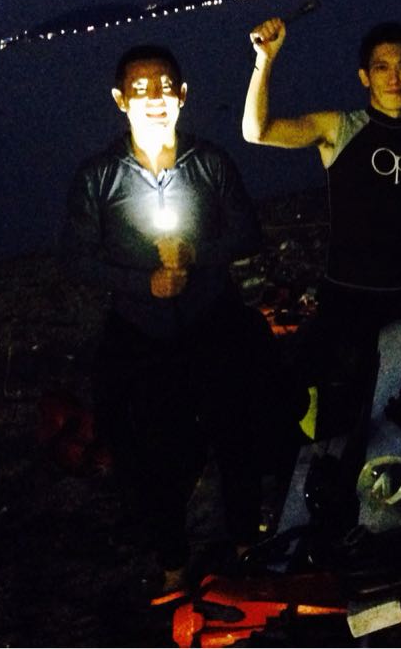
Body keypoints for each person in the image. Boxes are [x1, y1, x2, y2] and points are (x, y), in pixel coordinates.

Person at [62, 44, 294, 603]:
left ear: (183, 95)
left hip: (213, 322)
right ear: (120, 100)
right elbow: (76, 257)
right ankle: (172, 562)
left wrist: (197, 255)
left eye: (165, 86)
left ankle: (245, 541)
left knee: (235, 435)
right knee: (154, 453)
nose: (154, 98)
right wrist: (143, 282)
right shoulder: (98, 177)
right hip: (143, 336)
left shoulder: (210, 163)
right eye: (140, 89)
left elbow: (247, 233)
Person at [243, 18, 401, 435]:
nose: (394, 78)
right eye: (381, 67)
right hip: (344, 302)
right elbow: (257, 131)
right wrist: (264, 61)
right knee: (340, 421)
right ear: (364, 77)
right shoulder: (339, 128)